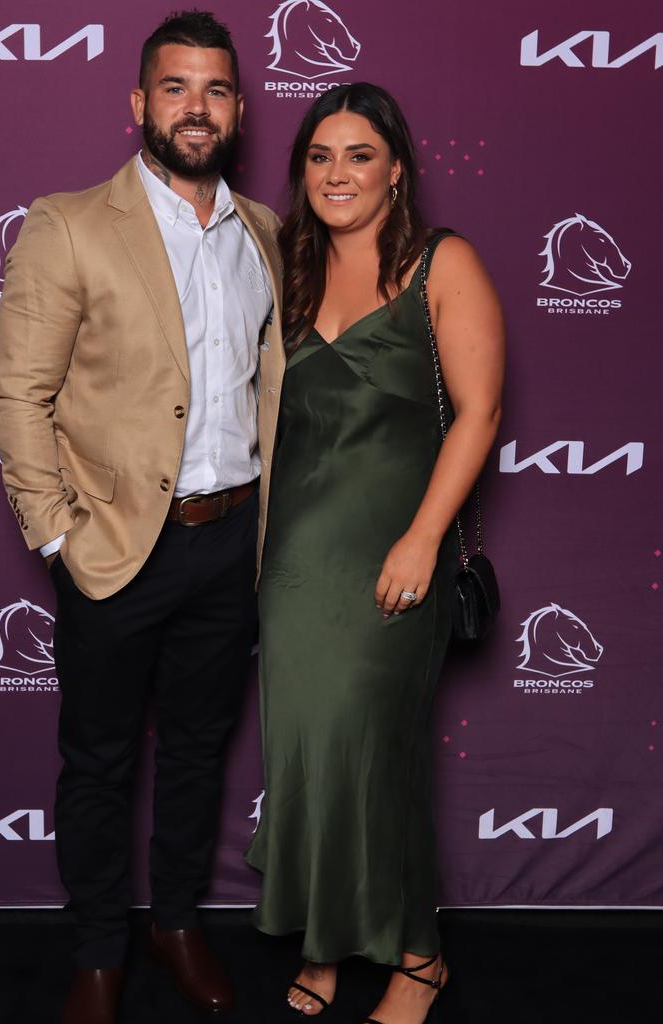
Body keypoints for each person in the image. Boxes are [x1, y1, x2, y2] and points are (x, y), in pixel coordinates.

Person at [0, 12, 284, 1024]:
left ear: (239, 109)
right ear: (139, 103)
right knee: (101, 759)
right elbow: (16, 395)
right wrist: (59, 536)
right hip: (113, 547)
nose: (194, 107)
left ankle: (177, 922)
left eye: (213, 90)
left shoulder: (265, 234)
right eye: (174, 87)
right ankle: (99, 948)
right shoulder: (69, 223)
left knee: (200, 752)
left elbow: (272, 388)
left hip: (231, 541)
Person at [246, 83, 504, 1024]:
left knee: (376, 760)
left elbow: (480, 413)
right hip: (292, 571)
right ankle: (323, 943)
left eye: (359, 154)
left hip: (396, 559)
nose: (337, 173)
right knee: (307, 760)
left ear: (398, 168)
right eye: (320, 156)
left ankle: (421, 958)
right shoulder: (290, 270)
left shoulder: (445, 262)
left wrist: (424, 538)